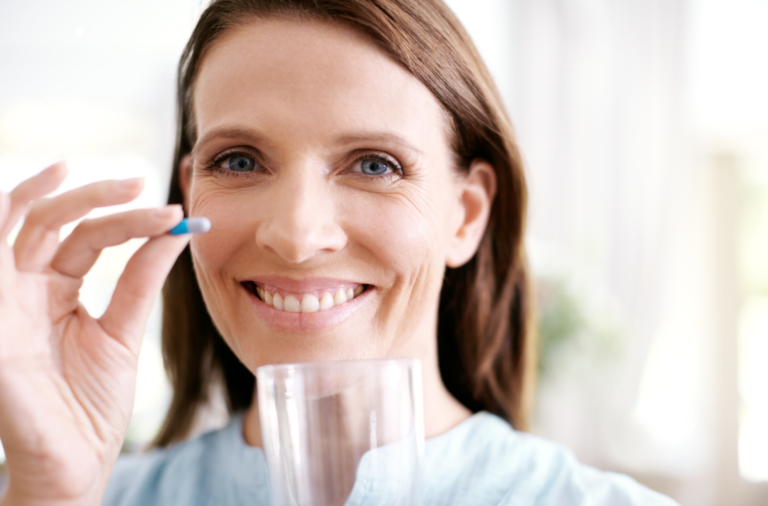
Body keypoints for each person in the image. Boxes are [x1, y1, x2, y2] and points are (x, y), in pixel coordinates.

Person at [0, 0, 678, 504]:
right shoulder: (70, 494)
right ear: (188, 192)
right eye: (238, 160)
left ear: (465, 215)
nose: (296, 235)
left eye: (375, 165)